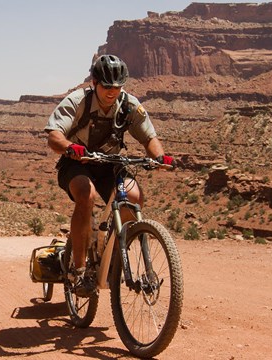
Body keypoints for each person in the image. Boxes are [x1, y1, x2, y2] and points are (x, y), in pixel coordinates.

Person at [44, 54, 174, 297]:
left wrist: (159, 158)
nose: (112, 91)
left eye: (117, 86)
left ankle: (114, 256)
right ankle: (80, 270)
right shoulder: (78, 101)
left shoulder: (129, 105)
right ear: (95, 82)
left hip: (110, 163)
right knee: (86, 194)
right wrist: (71, 148)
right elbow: (54, 135)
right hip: (77, 163)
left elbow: (148, 137)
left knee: (133, 197)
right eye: (107, 86)